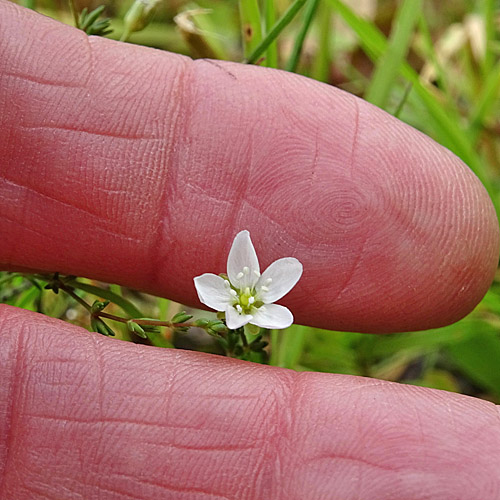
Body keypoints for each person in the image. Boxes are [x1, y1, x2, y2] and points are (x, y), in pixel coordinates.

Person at [0, 1, 499, 498]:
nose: (243, 303)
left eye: (245, 302)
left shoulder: (256, 302)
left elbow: (259, 304)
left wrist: (245, 314)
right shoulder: (233, 299)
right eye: (242, 301)